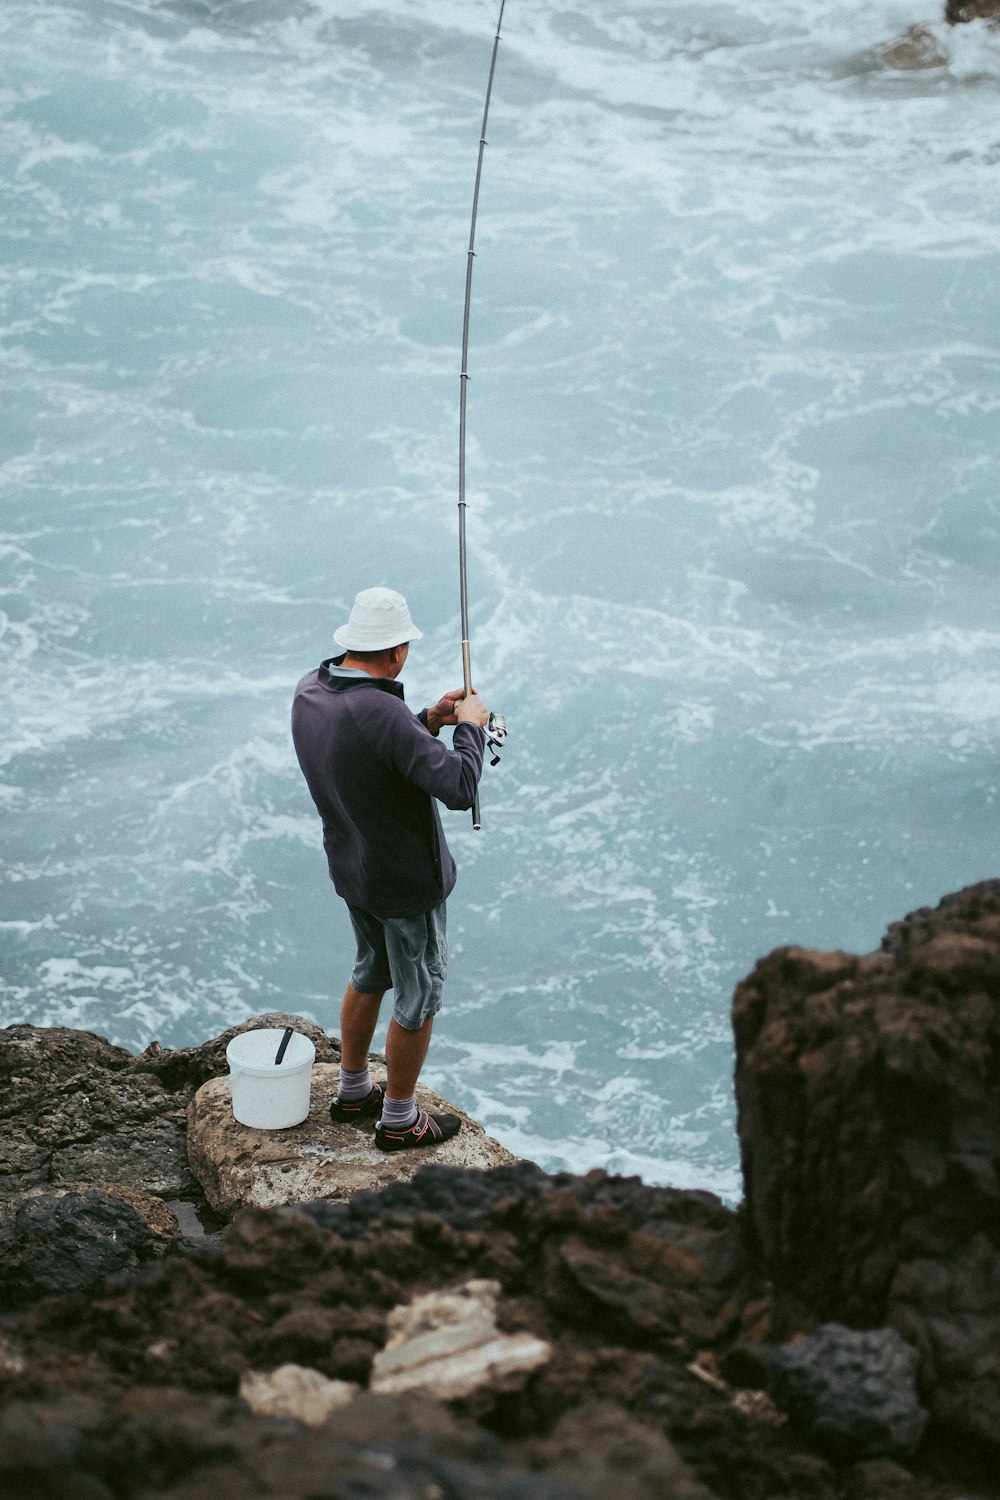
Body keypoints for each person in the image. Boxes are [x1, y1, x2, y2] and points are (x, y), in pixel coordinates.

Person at [291, 587, 488, 1152]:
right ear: (398, 650)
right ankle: (399, 1119)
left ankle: (354, 1090)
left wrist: (426, 719)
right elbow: (457, 785)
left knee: (370, 970)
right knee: (418, 993)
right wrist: (469, 727)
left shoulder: (313, 690)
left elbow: (370, 748)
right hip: (403, 880)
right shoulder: (378, 707)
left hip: (354, 867)